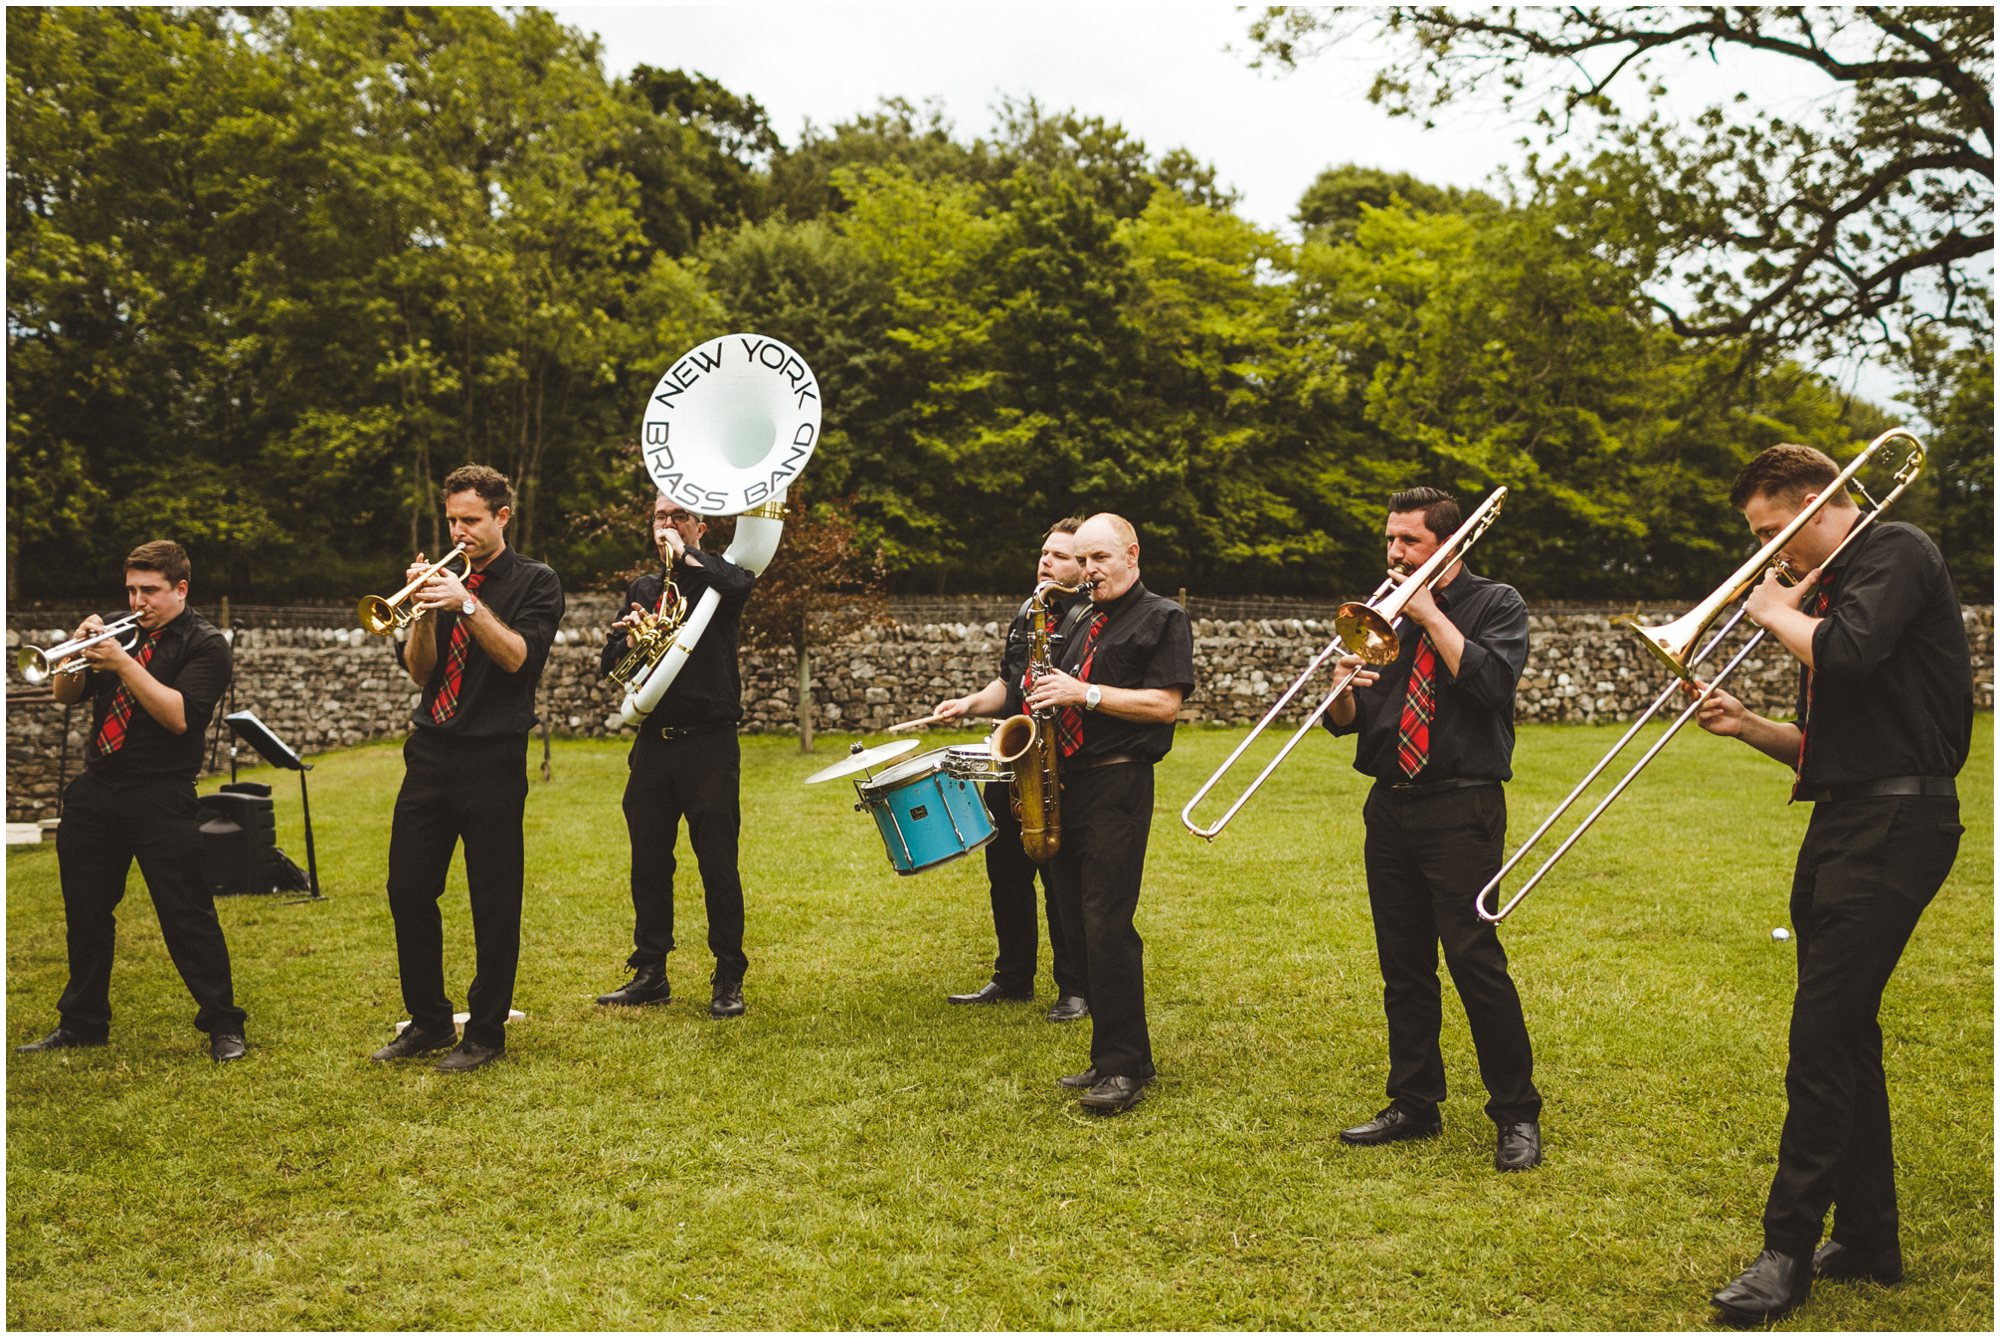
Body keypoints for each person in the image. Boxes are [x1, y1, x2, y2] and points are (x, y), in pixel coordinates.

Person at [1693, 443, 1971, 1326]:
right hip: (1845, 818)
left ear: (1821, 502)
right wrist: (1748, 727)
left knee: (1819, 1036)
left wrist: (1775, 608)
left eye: (1774, 530)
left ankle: (1786, 1253)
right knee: (1847, 1035)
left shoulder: (1895, 551)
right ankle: (1870, 1237)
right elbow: (1831, 744)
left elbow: (1846, 657)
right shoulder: (1833, 589)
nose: (1769, 552)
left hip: (1899, 825)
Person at [1321, 486, 1543, 1172]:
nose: (1393, 552)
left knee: (1476, 962)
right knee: (1403, 965)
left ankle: (1516, 1114)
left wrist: (1431, 616)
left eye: (1409, 541)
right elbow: (1345, 727)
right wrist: (1341, 695)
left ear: (1449, 544)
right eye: (1390, 540)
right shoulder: (1377, 614)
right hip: (1389, 806)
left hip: (1462, 806)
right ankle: (1414, 1102)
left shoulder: (1496, 604)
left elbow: (1492, 686)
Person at [19, 541, 247, 1062]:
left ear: (180, 589)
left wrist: (122, 663)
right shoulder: (120, 631)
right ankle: (82, 1021)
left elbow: (179, 716)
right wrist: (74, 655)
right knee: (86, 911)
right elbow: (64, 695)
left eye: (150, 591)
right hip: (98, 788)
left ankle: (222, 1024)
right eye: (131, 590)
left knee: (186, 912)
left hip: (161, 792)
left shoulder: (206, 644)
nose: (138, 601)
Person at [371, 465, 564, 1072]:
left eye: (472, 520)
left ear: (502, 517)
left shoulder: (537, 581)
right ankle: (427, 1020)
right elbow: (421, 673)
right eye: (453, 520)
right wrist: (427, 609)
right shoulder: (445, 581)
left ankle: (485, 1034)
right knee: (408, 888)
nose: (460, 531)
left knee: (494, 899)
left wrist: (468, 602)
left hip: (492, 756)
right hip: (430, 751)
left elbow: (519, 660)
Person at [1022, 513, 1193, 1114]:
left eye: (1101, 559)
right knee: (1074, 920)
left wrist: (1082, 693)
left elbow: (1164, 705)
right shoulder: (1082, 615)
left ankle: (1123, 1070)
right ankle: (1118, 1053)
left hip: (1119, 781)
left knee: (1106, 922)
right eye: (1084, 560)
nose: (1090, 571)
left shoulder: (1164, 617)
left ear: (1131, 554)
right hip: (1064, 780)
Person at [594, 496, 756, 1019]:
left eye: (678, 517)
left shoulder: (718, 577)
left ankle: (728, 973)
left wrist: (686, 555)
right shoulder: (644, 589)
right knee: (648, 861)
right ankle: (650, 972)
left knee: (717, 863)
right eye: (660, 517)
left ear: (700, 527)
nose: (666, 525)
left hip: (709, 742)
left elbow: (741, 584)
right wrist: (628, 640)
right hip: (654, 745)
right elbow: (610, 663)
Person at [931, 519, 1091, 1020]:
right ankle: (1013, 977)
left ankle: (1075, 987)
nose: (1046, 562)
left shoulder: (1093, 617)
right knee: (1006, 875)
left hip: (1062, 767)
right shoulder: (1029, 612)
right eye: (1044, 552)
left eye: (1060, 556)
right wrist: (969, 703)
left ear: (1083, 567)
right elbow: (1010, 684)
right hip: (1014, 761)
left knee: (1061, 882)